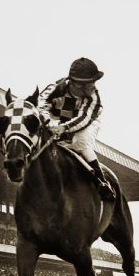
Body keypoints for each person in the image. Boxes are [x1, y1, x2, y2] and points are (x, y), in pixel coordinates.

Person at [38, 57, 116, 201]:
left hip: (85, 122)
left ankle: (101, 181)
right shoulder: (55, 88)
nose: (91, 89)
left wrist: (65, 127)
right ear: (74, 83)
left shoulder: (94, 97)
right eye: (86, 86)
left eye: (92, 84)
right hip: (55, 119)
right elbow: (40, 104)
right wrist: (50, 123)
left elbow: (84, 118)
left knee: (81, 141)